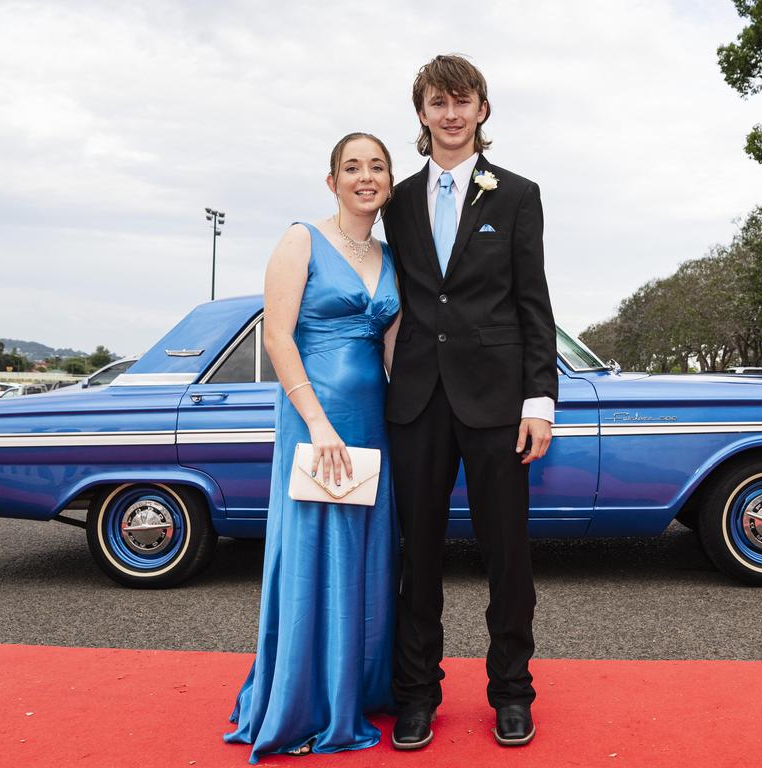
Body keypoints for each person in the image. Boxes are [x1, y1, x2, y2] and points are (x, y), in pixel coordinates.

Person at [383, 54, 558, 750]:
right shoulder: (394, 200)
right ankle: (417, 695)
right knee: (417, 557)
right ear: (421, 114)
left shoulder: (517, 194)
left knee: (508, 556)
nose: (450, 113)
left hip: (497, 403)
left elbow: (532, 302)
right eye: (437, 101)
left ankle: (512, 693)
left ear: (482, 109)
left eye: (463, 100)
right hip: (417, 400)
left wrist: (539, 400)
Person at [224, 133, 400, 763]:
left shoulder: (389, 255)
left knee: (364, 553)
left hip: (372, 421)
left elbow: (393, 350)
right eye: (352, 167)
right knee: (314, 549)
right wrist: (320, 423)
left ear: (388, 180)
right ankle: (304, 698)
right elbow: (277, 339)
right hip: (314, 418)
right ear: (332, 181)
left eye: (376, 167)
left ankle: (355, 685)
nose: (365, 176)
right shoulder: (301, 239)